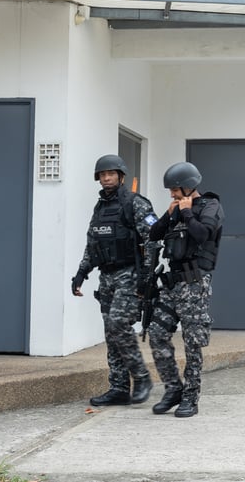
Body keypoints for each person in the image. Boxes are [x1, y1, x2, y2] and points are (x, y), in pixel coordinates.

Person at [71, 155, 158, 407]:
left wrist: (146, 277)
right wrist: (81, 273)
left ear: (121, 176)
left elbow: (152, 240)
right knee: (111, 332)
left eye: (111, 174)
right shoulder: (99, 208)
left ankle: (141, 377)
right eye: (102, 174)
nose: (106, 178)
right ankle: (119, 387)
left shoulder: (136, 204)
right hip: (106, 276)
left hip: (130, 274)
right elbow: (92, 243)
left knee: (119, 324)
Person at [148, 162, 224, 417]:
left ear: (189, 186)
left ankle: (191, 396)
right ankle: (173, 389)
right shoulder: (176, 208)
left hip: (195, 284)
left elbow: (203, 235)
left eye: (175, 189)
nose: (172, 194)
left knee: (192, 343)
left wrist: (188, 213)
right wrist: (169, 215)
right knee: (156, 332)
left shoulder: (211, 206)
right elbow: (153, 234)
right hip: (172, 284)